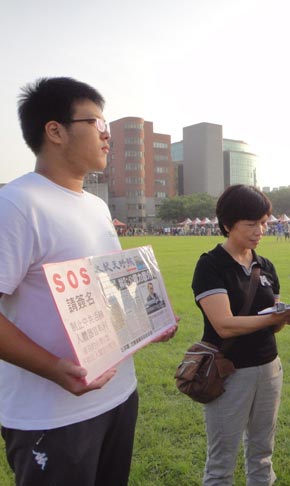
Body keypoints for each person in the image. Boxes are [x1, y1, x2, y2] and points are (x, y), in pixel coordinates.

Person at [0, 77, 176, 486]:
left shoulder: (96, 206)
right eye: (97, 123)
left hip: (118, 396)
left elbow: (106, 293)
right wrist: (54, 368)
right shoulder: (17, 205)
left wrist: (148, 320)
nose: (106, 134)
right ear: (55, 131)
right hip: (51, 415)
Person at [191, 184, 290, 485]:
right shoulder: (211, 265)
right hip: (229, 373)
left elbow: (274, 325)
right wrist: (276, 316)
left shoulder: (265, 266)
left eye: (264, 222)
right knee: (221, 463)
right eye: (251, 224)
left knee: (262, 453)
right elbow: (224, 324)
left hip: (269, 369)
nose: (260, 230)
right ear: (227, 224)